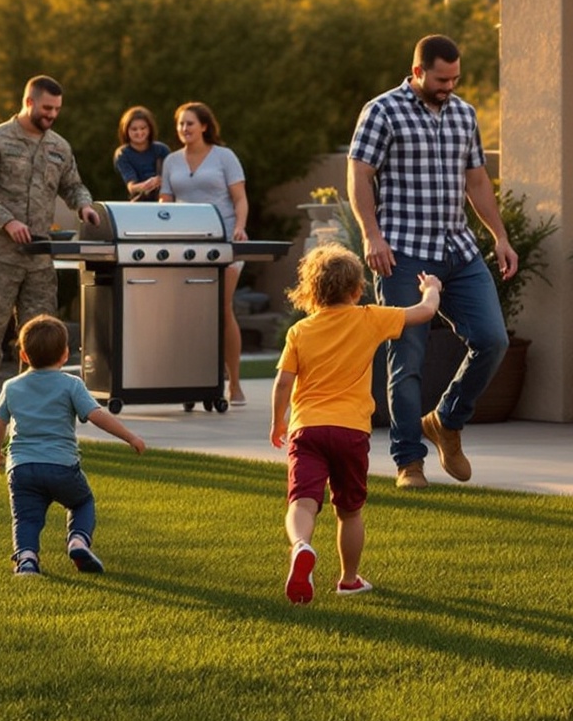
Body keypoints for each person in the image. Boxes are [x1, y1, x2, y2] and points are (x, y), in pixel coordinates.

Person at [347, 34, 517, 489]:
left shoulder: (464, 113)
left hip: (457, 251)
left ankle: (446, 420)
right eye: (442, 79)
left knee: (493, 339)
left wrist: (499, 236)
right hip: (401, 253)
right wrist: (371, 234)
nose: (450, 87)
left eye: (456, 78)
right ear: (418, 71)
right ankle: (409, 462)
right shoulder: (382, 110)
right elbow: (359, 173)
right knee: (408, 360)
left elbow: (477, 181)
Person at [270, 245, 441, 603]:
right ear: (356, 289)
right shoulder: (369, 317)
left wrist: (277, 422)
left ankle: (301, 545)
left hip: (308, 429)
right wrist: (432, 289)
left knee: (302, 502)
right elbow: (425, 313)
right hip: (350, 431)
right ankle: (348, 579)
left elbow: (283, 383)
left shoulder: (300, 331)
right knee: (349, 511)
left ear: (311, 291)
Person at [0, 77, 103, 435]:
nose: (52, 115)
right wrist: (6, 220)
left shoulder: (59, 146)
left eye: (57, 110)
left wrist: (85, 205)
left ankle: (29, 412)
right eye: (46, 109)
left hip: (40, 257)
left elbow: (73, 185)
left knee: (41, 338)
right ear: (29, 101)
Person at [0, 313, 146, 576]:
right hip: (62, 466)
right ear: (65, 354)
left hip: (22, 468)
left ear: (24, 355)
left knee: (26, 518)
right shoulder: (71, 385)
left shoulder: (12, 386)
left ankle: (27, 560)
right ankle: (78, 540)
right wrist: (130, 437)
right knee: (82, 502)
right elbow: (98, 416)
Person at [159, 100, 251, 406]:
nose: (184, 129)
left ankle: (234, 383)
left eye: (190, 123)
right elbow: (166, 203)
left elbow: (240, 199)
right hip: (186, 246)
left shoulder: (224, 157)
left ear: (204, 126)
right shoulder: (172, 161)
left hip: (223, 241)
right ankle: (190, 382)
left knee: (221, 309)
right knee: (188, 315)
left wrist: (240, 227)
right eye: (180, 124)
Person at [112, 106, 169, 201]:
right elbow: (132, 187)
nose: (139, 132)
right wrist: (148, 184)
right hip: (140, 201)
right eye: (134, 129)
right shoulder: (122, 154)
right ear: (126, 130)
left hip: (164, 200)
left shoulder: (162, 149)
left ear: (149, 128)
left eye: (143, 128)